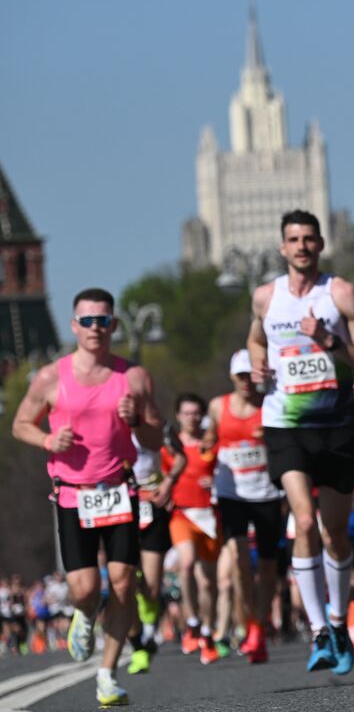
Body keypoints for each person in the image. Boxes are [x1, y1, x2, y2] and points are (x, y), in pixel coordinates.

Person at [12, 288, 163, 707]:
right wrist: (47, 439)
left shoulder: (133, 377)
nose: (96, 328)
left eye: (103, 320)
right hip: (73, 495)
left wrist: (137, 422)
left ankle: (106, 674)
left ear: (113, 325)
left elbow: (155, 435)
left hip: (119, 490)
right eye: (88, 321)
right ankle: (84, 611)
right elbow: (20, 424)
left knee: (122, 582)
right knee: (84, 588)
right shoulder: (51, 377)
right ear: (74, 326)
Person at [247, 209, 354, 674]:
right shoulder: (266, 297)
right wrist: (257, 364)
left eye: (309, 239)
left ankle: (340, 619)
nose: (302, 246)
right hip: (285, 423)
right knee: (303, 522)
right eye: (293, 239)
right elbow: (255, 342)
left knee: (335, 534)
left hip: (337, 425)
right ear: (282, 248)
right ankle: (319, 630)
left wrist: (330, 341)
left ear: (320, 245)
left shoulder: (339, 293)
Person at [208, 349, 284, 665]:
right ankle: (248, 620)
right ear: (232, 377)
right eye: (240, 376)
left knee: (267, 566)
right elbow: (207, 441)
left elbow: (287, 443)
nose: (246, 383)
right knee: (239, 559)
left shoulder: (271, 405)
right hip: (232, 493)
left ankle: (259, 625)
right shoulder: (217, 407)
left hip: (266, 493)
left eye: (250, 376)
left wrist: (271, 437)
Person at [164, 394, 222, 665]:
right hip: (182, 514)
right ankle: (192, 621)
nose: (192, 418)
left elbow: (228, 472)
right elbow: (162, 476)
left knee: (209, 582)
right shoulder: (170, 448)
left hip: (209, 516)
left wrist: (217, 481)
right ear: (178, 416)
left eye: (196, 413)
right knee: (186, 564)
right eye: (186, 413)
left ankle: (208, 634)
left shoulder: (212, 444)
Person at [126, 404, 182, 676]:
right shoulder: (108, 424)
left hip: (152, 504)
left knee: (150, 583)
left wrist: (168, 483)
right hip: (120, 504)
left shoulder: (157, 423)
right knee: (124, 577)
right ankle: (138, 641)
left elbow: (180, 456)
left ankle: (148, 633)